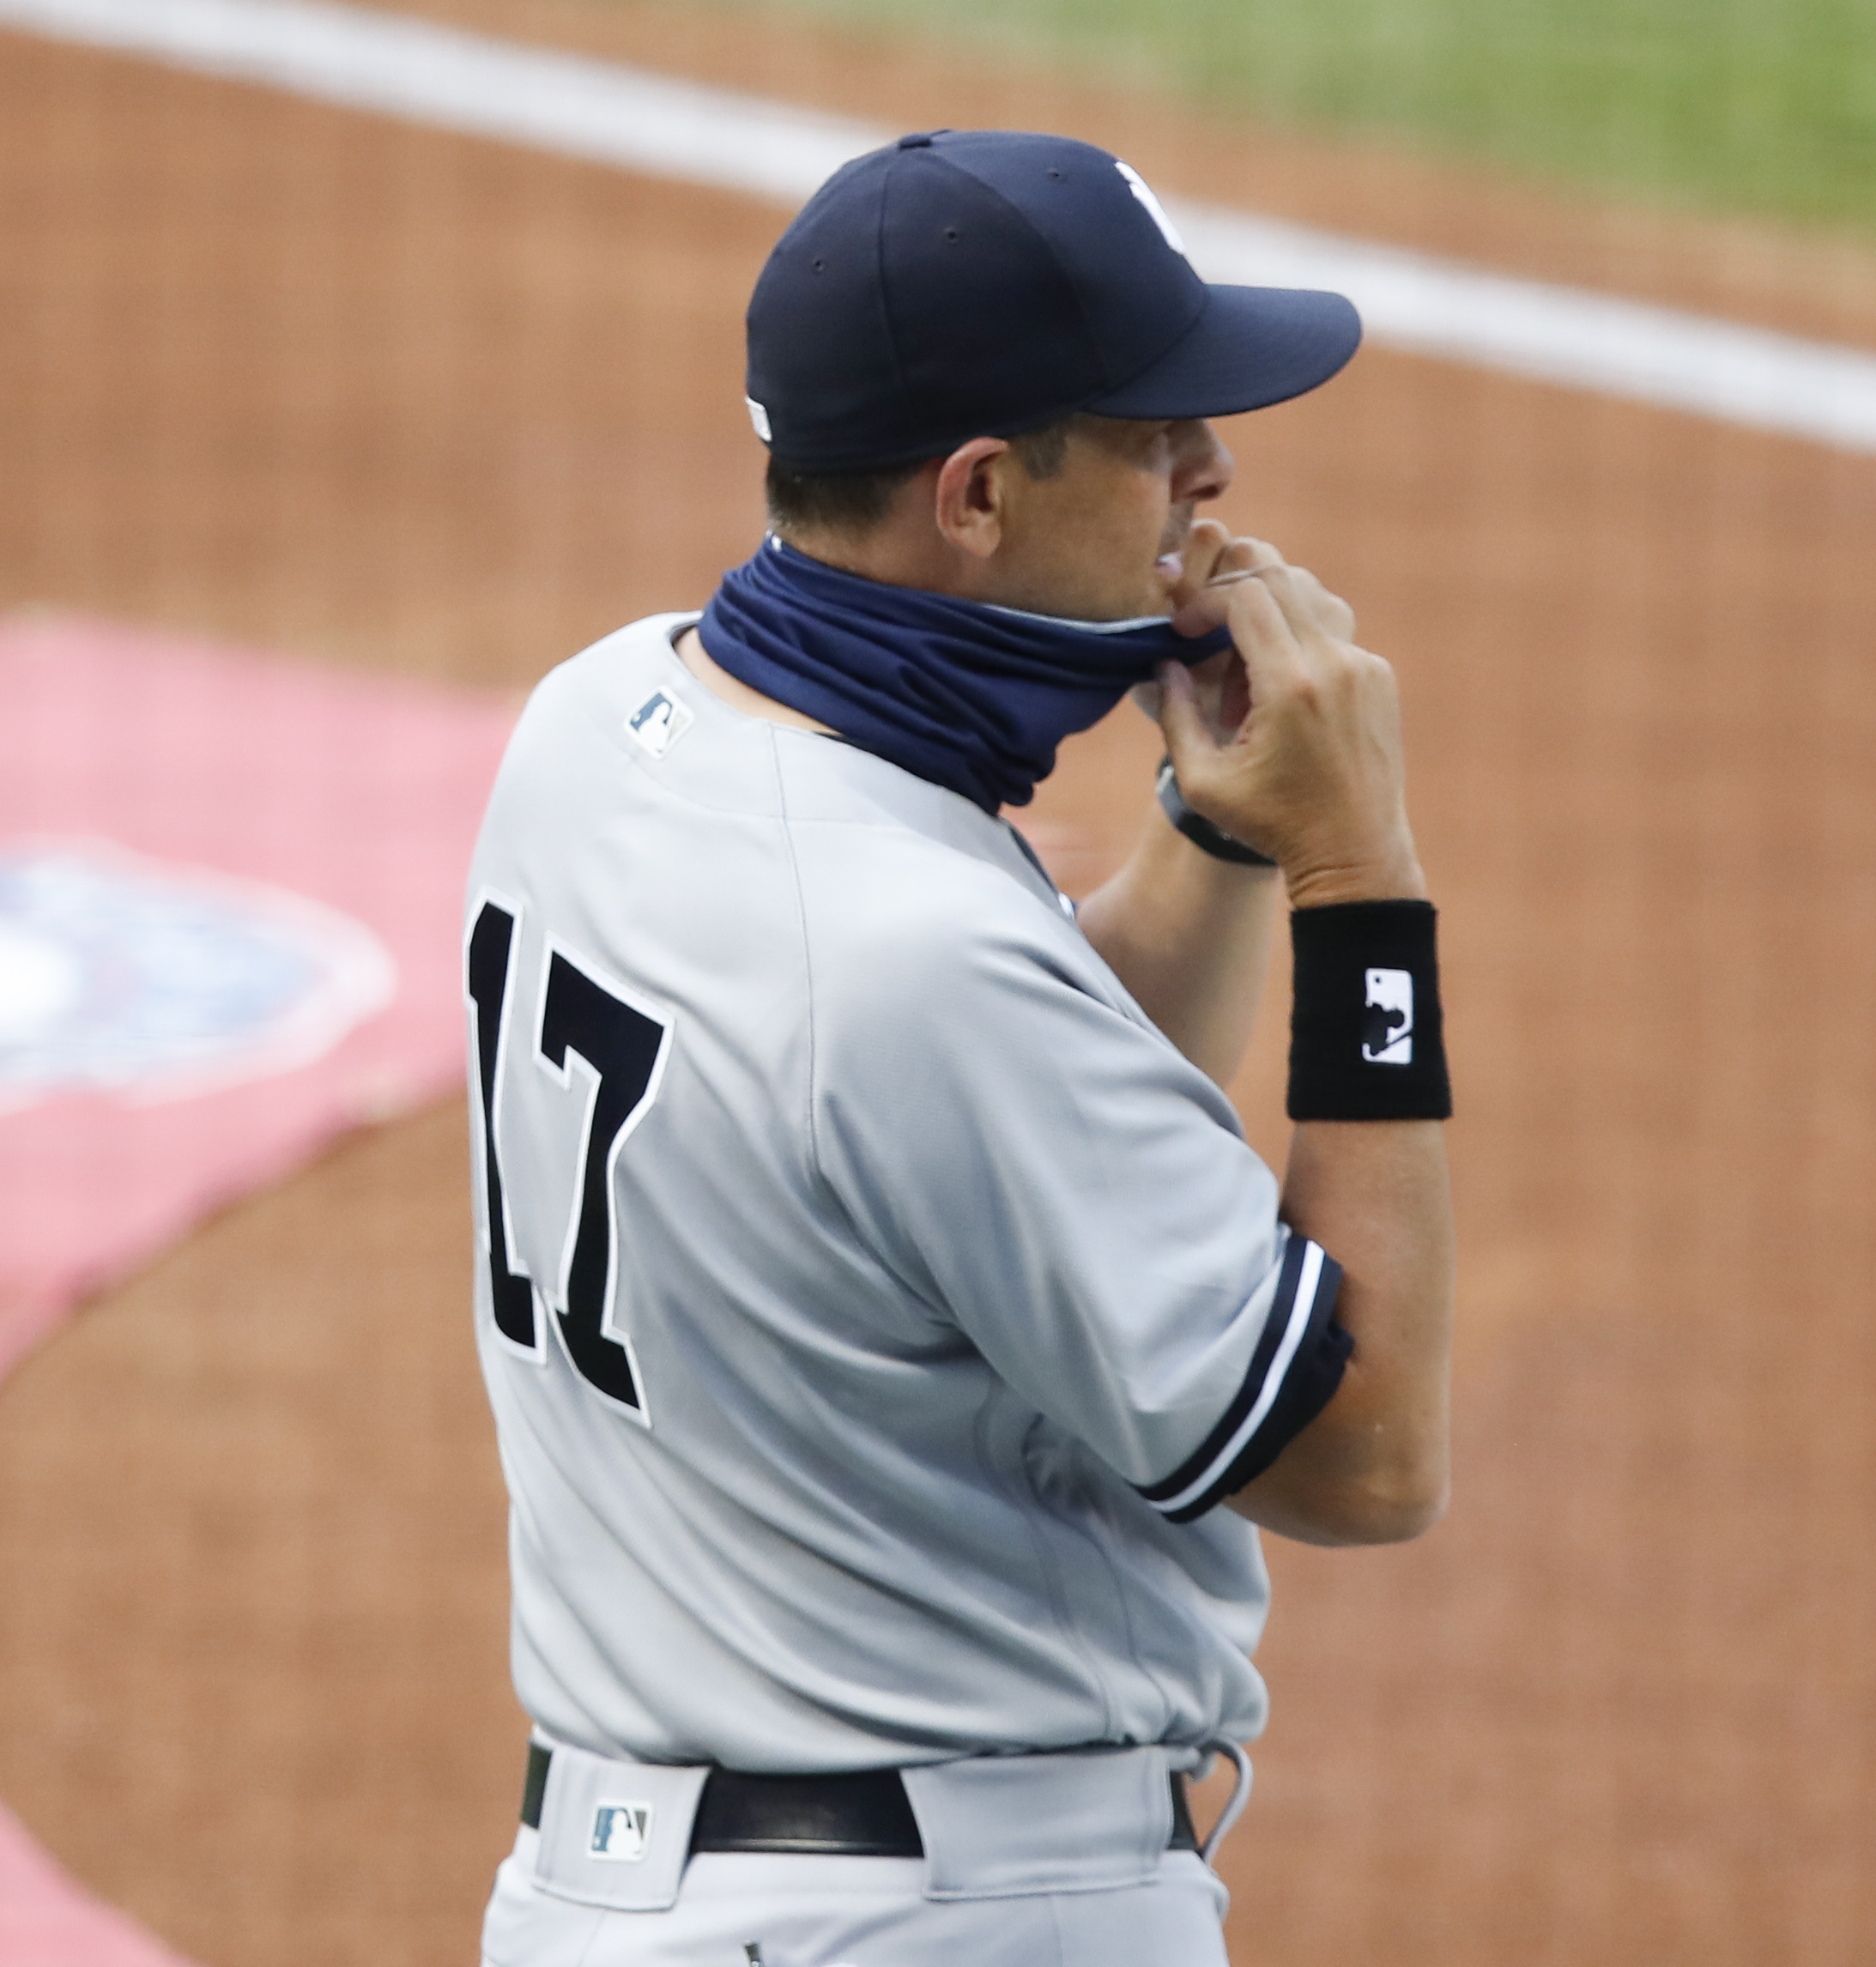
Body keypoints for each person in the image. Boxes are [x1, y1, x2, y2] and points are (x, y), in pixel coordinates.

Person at [462, 128, 1455, 1967]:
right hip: (930, 1914)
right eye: (1155, 428)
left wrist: (1219, 830)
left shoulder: (598, 723)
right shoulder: (907, 961)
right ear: (979, 494)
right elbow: (1363, 1457)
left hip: (611, 1895)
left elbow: (986, 1136)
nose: (1208, 472)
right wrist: (1356, 877)